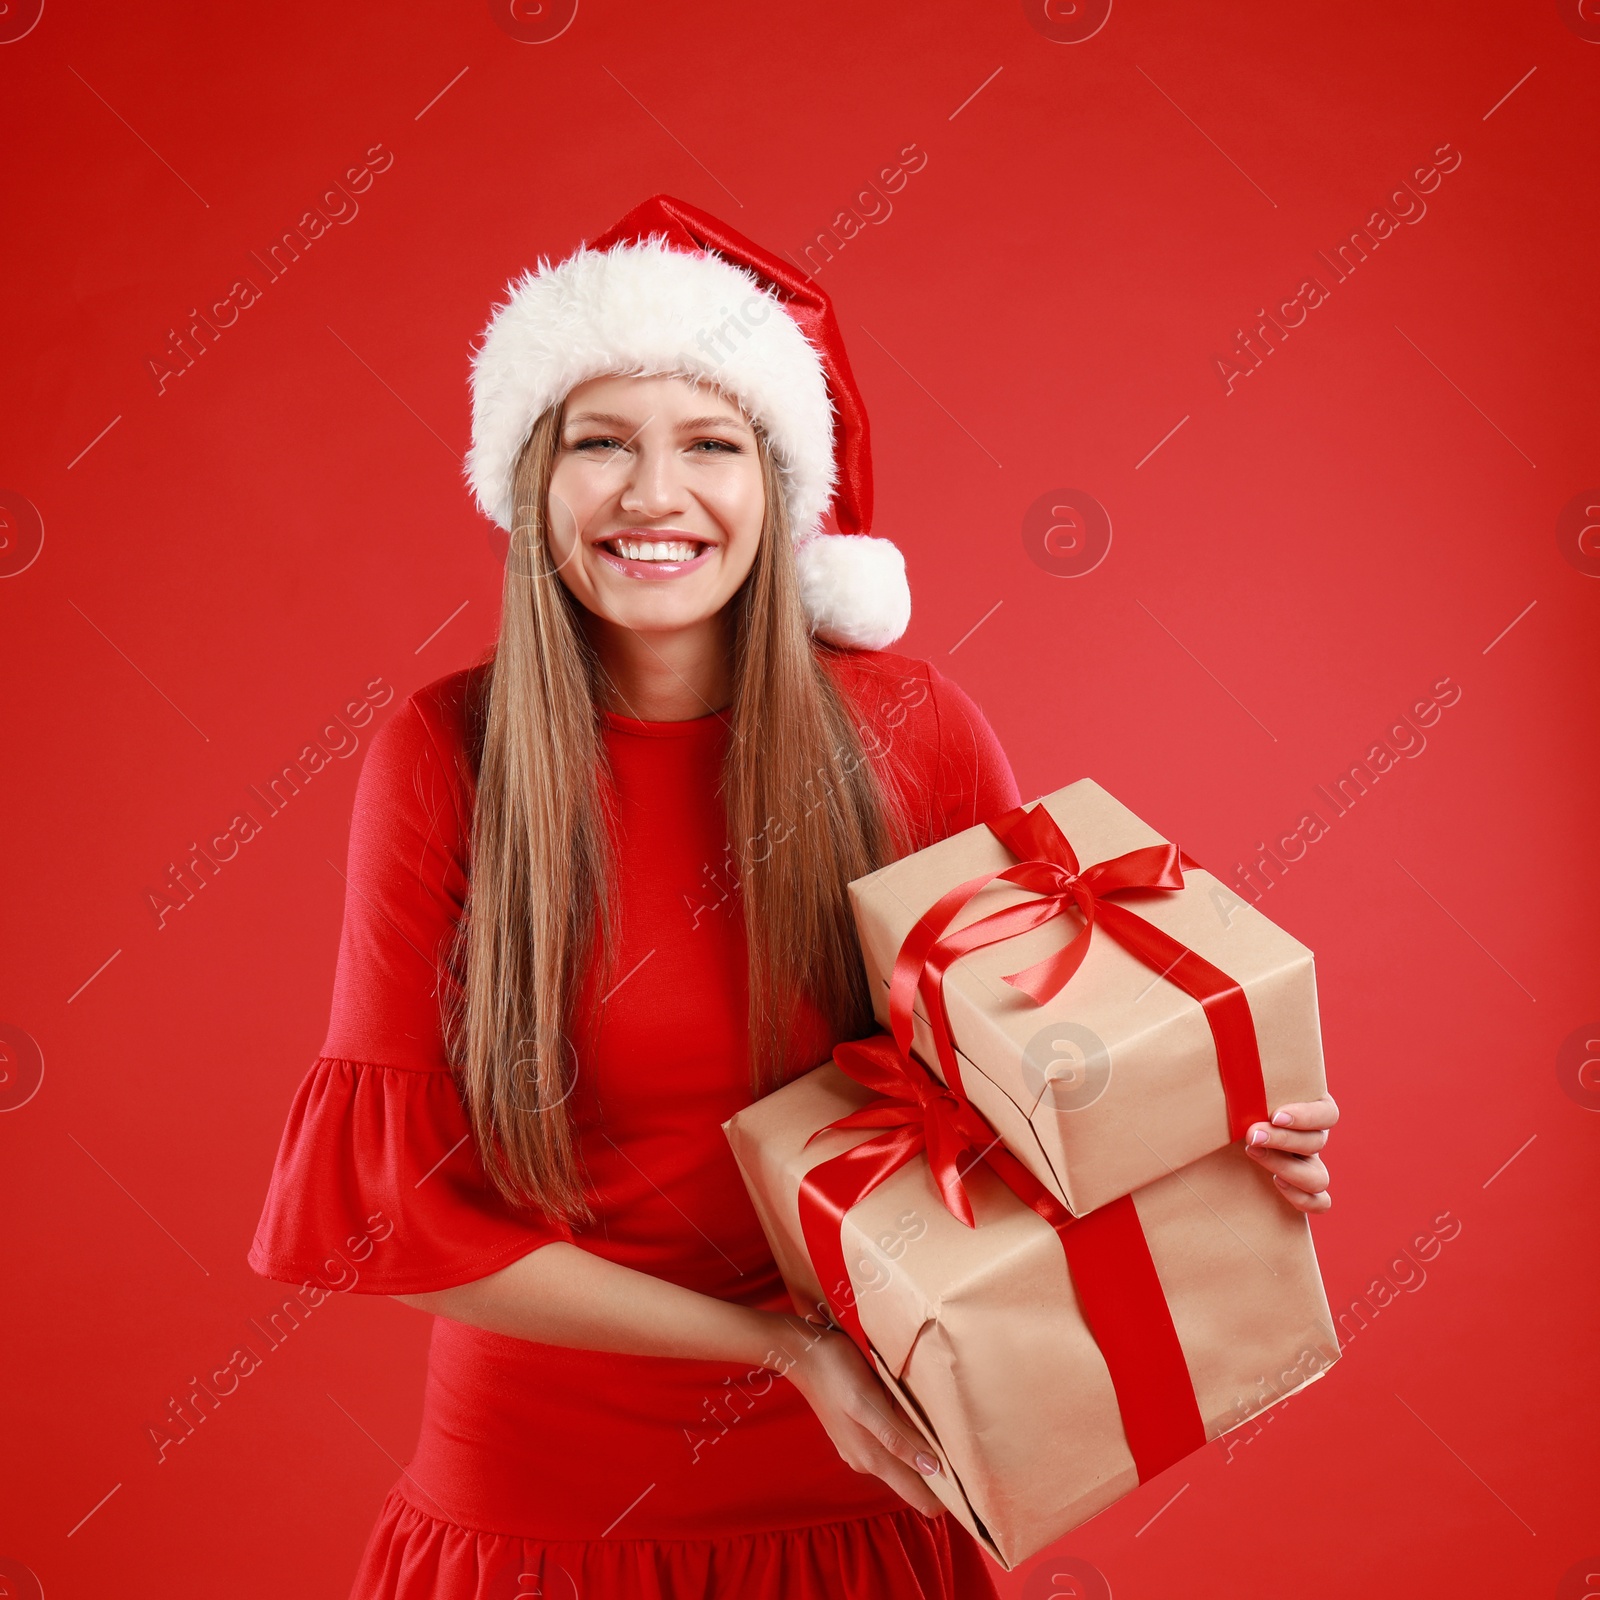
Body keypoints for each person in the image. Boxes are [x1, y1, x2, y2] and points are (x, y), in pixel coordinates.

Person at [247, 196, 1336, 1599]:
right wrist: (782, 1346)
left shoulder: (914, 729)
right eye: (600, 443)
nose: (654, 496)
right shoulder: (444, 756)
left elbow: (1035, 1088)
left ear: (778, 485)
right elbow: (398, 1225)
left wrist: (1220, 1147)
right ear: (532, 480)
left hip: (872, 1488)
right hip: (541, 1519)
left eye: (710, 443)